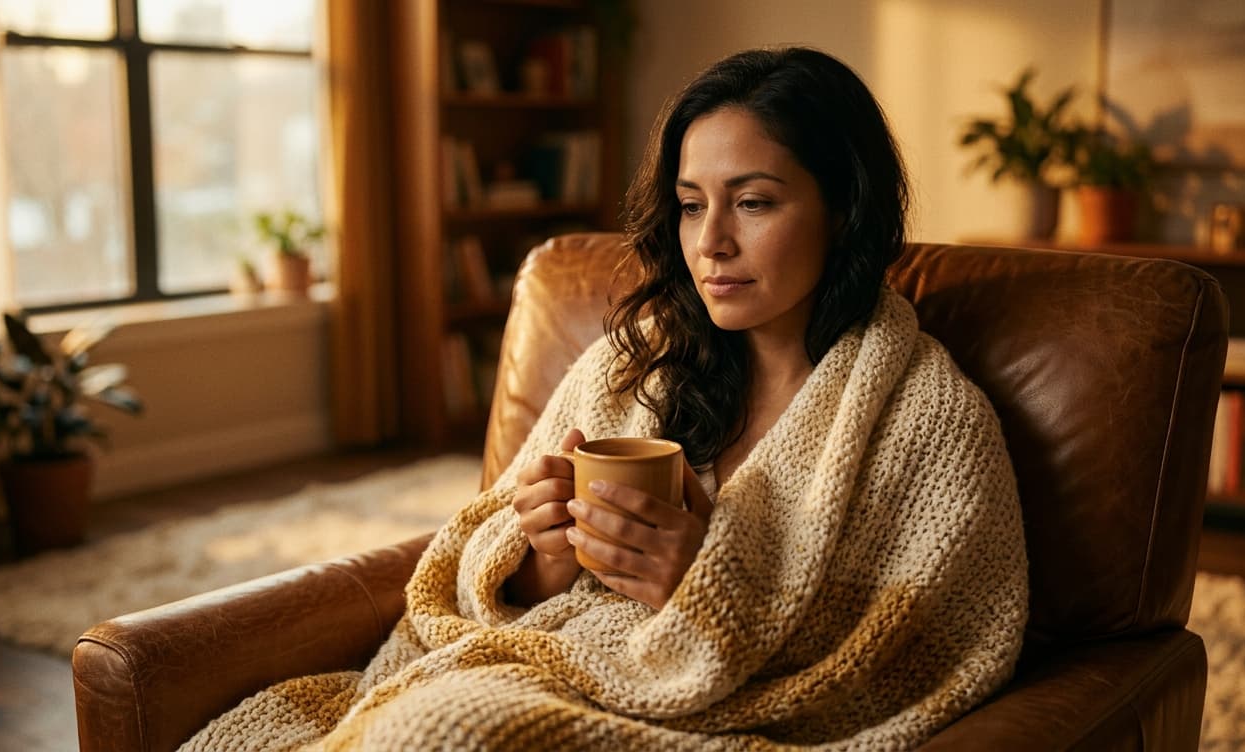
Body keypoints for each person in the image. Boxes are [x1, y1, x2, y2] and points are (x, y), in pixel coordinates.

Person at [183, 47, 1027, 752]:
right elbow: (491, 557)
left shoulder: (931, 420)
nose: (712, 243)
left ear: (844, 210)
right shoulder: (638, 360)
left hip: (719, 722)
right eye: (692, 206)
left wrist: (702, 593)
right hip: (553, 668)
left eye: (755, 203)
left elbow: (913, 658)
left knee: (440, 732)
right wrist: (545, 553)